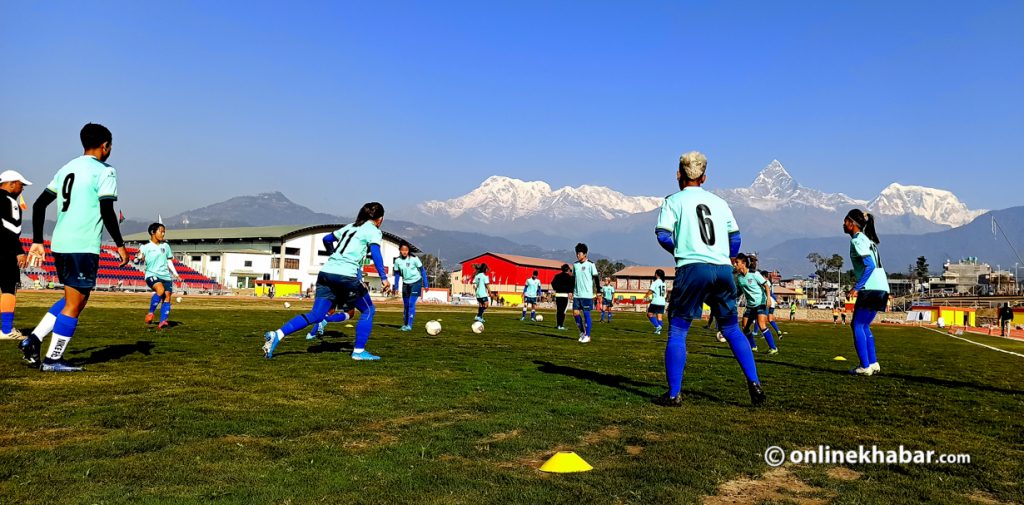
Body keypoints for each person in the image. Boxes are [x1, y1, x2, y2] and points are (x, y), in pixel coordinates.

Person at [653, 150, 765, 406]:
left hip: (693, 268)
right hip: (723, 269)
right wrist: (726, 256)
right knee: (732, 329)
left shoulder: (673, 201)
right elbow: (735, 238)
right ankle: (754, 382)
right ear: (704, 177)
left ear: (678, 175)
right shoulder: (719, 203)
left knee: (679, 330)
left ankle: (673, 394)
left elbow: (662, 235)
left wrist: (681, 250)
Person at [20, 123, 129, 371]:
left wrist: (38, 240)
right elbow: (106, 210)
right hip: (83, 244)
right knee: (76, 303)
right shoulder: (106, 171)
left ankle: (33, 340)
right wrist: (121, 245)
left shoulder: (67, 167)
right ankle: (53, 359)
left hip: (61, 243)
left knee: (72, 299)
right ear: (106, 146)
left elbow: (38, 205)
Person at [262, 202, 392, 361]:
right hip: (346, 276)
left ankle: (277, 335)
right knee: (368, 310)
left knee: (316, 315)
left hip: (326, 272)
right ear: (380, 219)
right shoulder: (373, 231)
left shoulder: (350, 226)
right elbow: (376, 253)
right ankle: (358, 351)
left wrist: (334, 254)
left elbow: (327, 238)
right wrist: (384, 278)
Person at [844, 208, 888, 376]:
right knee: (864, 325)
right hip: (882, 287)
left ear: (852, 224)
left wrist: (856, 287)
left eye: (845, 221)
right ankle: (873, 362)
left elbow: (869, 265)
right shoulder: (868, 240)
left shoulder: (858, 240)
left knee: (856, 325)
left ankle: (864, 366)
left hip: (870, 288)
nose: (843, 224)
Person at [0, 170, 31, 340]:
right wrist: (19, 251)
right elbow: (11, 230)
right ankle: (6, 330)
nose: (22, 188)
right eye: (21, 184)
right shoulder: (10, 202)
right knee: (8, 289)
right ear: (11, 184)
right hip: (4, 252)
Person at [135, 223, 179, 329]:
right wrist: (138, 258)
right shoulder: (145, 247)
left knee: (167, 297)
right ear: (153, 232)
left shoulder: (166, 246)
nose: (163, 234)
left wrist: (175, 273)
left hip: (166, 276)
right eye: (161, 231)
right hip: (152, 274)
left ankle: (163, 321)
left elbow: (169, 260)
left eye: (164, 232)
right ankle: (150, 313)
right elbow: (136, 261)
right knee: (160, 290)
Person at [735, 255, 778, 355]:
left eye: (737, 262)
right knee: (745, 327)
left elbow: (766, 285)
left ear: (743, 264)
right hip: (750, 305)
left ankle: (773, 348)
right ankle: (753, 346)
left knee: (762, 325)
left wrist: (768, 299)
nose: (735, 264)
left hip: (761, 303)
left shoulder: (754, 274)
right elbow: (740, 291)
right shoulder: (740, 278)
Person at [392, 241, 428, 331]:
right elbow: (396, 275)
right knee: (406, 305)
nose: (404, 252)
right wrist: (396, 287)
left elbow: (422, 271)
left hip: (416, 282)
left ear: (408, 250)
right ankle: (405, 325)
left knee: (411, 304)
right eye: (402, 250)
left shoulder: (414, 258)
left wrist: (426, 284)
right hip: (405, 284)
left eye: (406, 250)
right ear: (400, 250)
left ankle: (409, 326)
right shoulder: (397, 261)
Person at [572, 243, 599, 343]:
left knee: (586, 314)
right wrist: (571, 291)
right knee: (575, 313)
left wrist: (599, 291)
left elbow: (596, 278)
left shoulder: (591, 265)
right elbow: (573, 279)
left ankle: (587, 335)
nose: (577, 255)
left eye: (579, 253)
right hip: (577, 294)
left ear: (585, 254)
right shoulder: (575, 265)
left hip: (587, 295)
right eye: (577, 253)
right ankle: (582, 332)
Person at [551, 264, 573, 330]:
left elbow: (553, 283)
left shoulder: (557, 276)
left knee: (558, 310)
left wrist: (556, 288)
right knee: (563, 311)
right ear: (568, 269)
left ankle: (558, 325)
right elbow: (571, 286)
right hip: (564, 295)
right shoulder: (569, 277)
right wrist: (570, 292)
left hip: (558, 294)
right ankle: (561, 325)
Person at [646, 269, 668, 334]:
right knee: (659, 317)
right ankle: (658, 331)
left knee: (649, 314)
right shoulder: (664, 283)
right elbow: (666, 292)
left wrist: (645, 296)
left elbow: (651, 290)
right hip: (662, 302)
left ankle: (657, 326)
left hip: (656, 301)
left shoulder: (655, 282)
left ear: (656, 274)